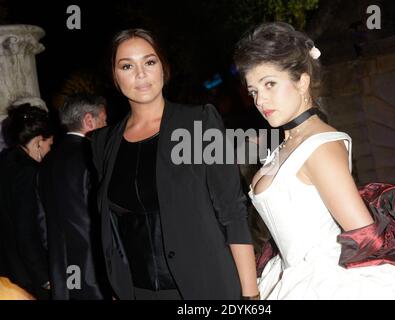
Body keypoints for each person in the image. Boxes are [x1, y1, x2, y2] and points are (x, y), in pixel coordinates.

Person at [234, 22, 395, 299]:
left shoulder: (319, 147)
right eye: (254, 91)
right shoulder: (290, 142)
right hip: (288, 275)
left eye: (270, 84)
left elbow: (362, 232)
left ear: (302, 81)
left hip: (323, 282)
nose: (260, 99)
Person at [91, 29, 258, 300]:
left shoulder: (199, 123)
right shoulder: (102, 143)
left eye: (149, 62)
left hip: (206, 287)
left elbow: (232, 211)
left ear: (163, 68)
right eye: (126, 66)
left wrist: (250, 296)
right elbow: (112, 228)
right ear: (114, 75)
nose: (140, 74)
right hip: (137, 292)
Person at [38, 93, 110, 300]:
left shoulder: (47, 162)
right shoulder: (92, 156)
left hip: (62, 267)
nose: (107, 124)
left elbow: (41, 219)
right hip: (95, 268)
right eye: (104, 120)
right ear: (89, 120)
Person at [0, 103, 54, 299]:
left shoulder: (5, 163)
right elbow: (27, 231)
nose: (50, 150)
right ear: (39, 141)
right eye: (50, 144)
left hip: (7, 271)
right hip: (27, 275)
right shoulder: (28, 173)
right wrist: (44, 277)